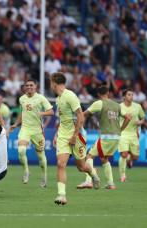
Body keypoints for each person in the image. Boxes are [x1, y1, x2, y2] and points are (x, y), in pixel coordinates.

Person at [50, 72, 99, 205]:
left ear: (54, 84)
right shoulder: (58, 99)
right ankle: (62, 195)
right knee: (61, 163)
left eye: (50, 83)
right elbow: (63, 119)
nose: (50, 86)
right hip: (63, 135)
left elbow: (81, 116)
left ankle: (93, 174)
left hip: (77, 135)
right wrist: (57, 133)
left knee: (81, 167)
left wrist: (75, 135)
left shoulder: (70, 95)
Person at [77, 86, 131, 189]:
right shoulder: (117, 105)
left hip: (106, 136)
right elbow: (128, 117)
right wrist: (120, 129)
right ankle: (111, 183)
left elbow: (85, 114)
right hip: (117, 137)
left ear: (98, 94)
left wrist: (76, 119)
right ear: (108, 93)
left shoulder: (99, 103)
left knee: (89, 157)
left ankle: (88, 180)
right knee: (104, 158)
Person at [9, 78, 54, 187]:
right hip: (25, 129)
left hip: (37, 131)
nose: (29, 87)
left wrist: (42, 113)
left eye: (31, 85)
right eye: (27, 85)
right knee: (21, 150)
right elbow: (22, 112)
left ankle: (44, 177)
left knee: (40, 156)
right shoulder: (22, 99)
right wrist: (15, 124)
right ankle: (26, 171)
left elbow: (51, 112)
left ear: (35, 86)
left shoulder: (41, 98)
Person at [118, 88, 145, 182]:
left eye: (132, 94)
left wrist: (141, 122)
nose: (131, 96)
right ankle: (123, 176)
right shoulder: (119, 107)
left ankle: (129, 160)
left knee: (135, 157)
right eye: (129, 95)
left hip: (134, 134)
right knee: (123, 154)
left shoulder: (137, 106)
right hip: (123, 133)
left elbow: (143, 117)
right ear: (124, 97)